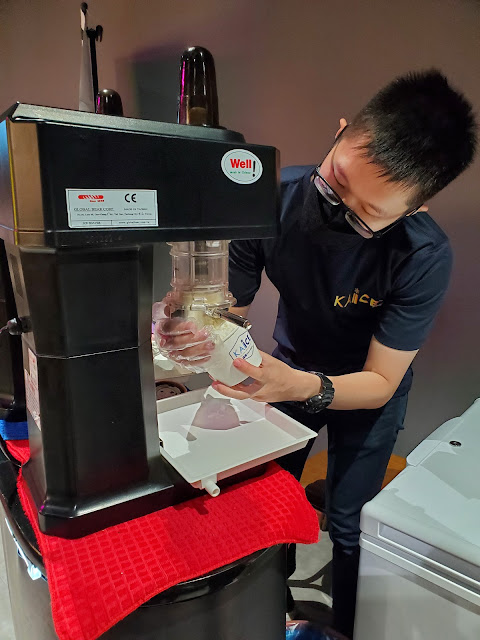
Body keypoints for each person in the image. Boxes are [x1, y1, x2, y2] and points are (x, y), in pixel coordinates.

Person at [155, 70, 477, 639]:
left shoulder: (423, 256)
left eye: (366, 214)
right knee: (267, 503)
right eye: (336, 184)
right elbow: (226, 307)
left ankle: (350, 627)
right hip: (289, 365)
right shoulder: (270, 200)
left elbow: (381, 380)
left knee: (351, 521)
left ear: (415, 208)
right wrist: (189, 321)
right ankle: (273, 614)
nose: (338, 210)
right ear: (340, 132)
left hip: (365, 394)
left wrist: (305, 386)